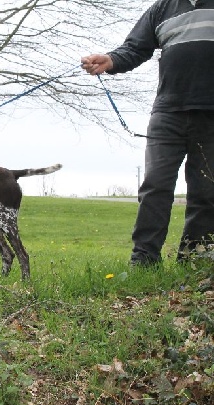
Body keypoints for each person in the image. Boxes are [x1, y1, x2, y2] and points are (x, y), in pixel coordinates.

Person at [81, 0, 214, 267]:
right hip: (168, 112)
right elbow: (134, 48)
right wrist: (110, 60)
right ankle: (144, 260)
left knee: (206, 190)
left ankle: (195, 261)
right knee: (155, 186)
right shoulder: (162, 8)